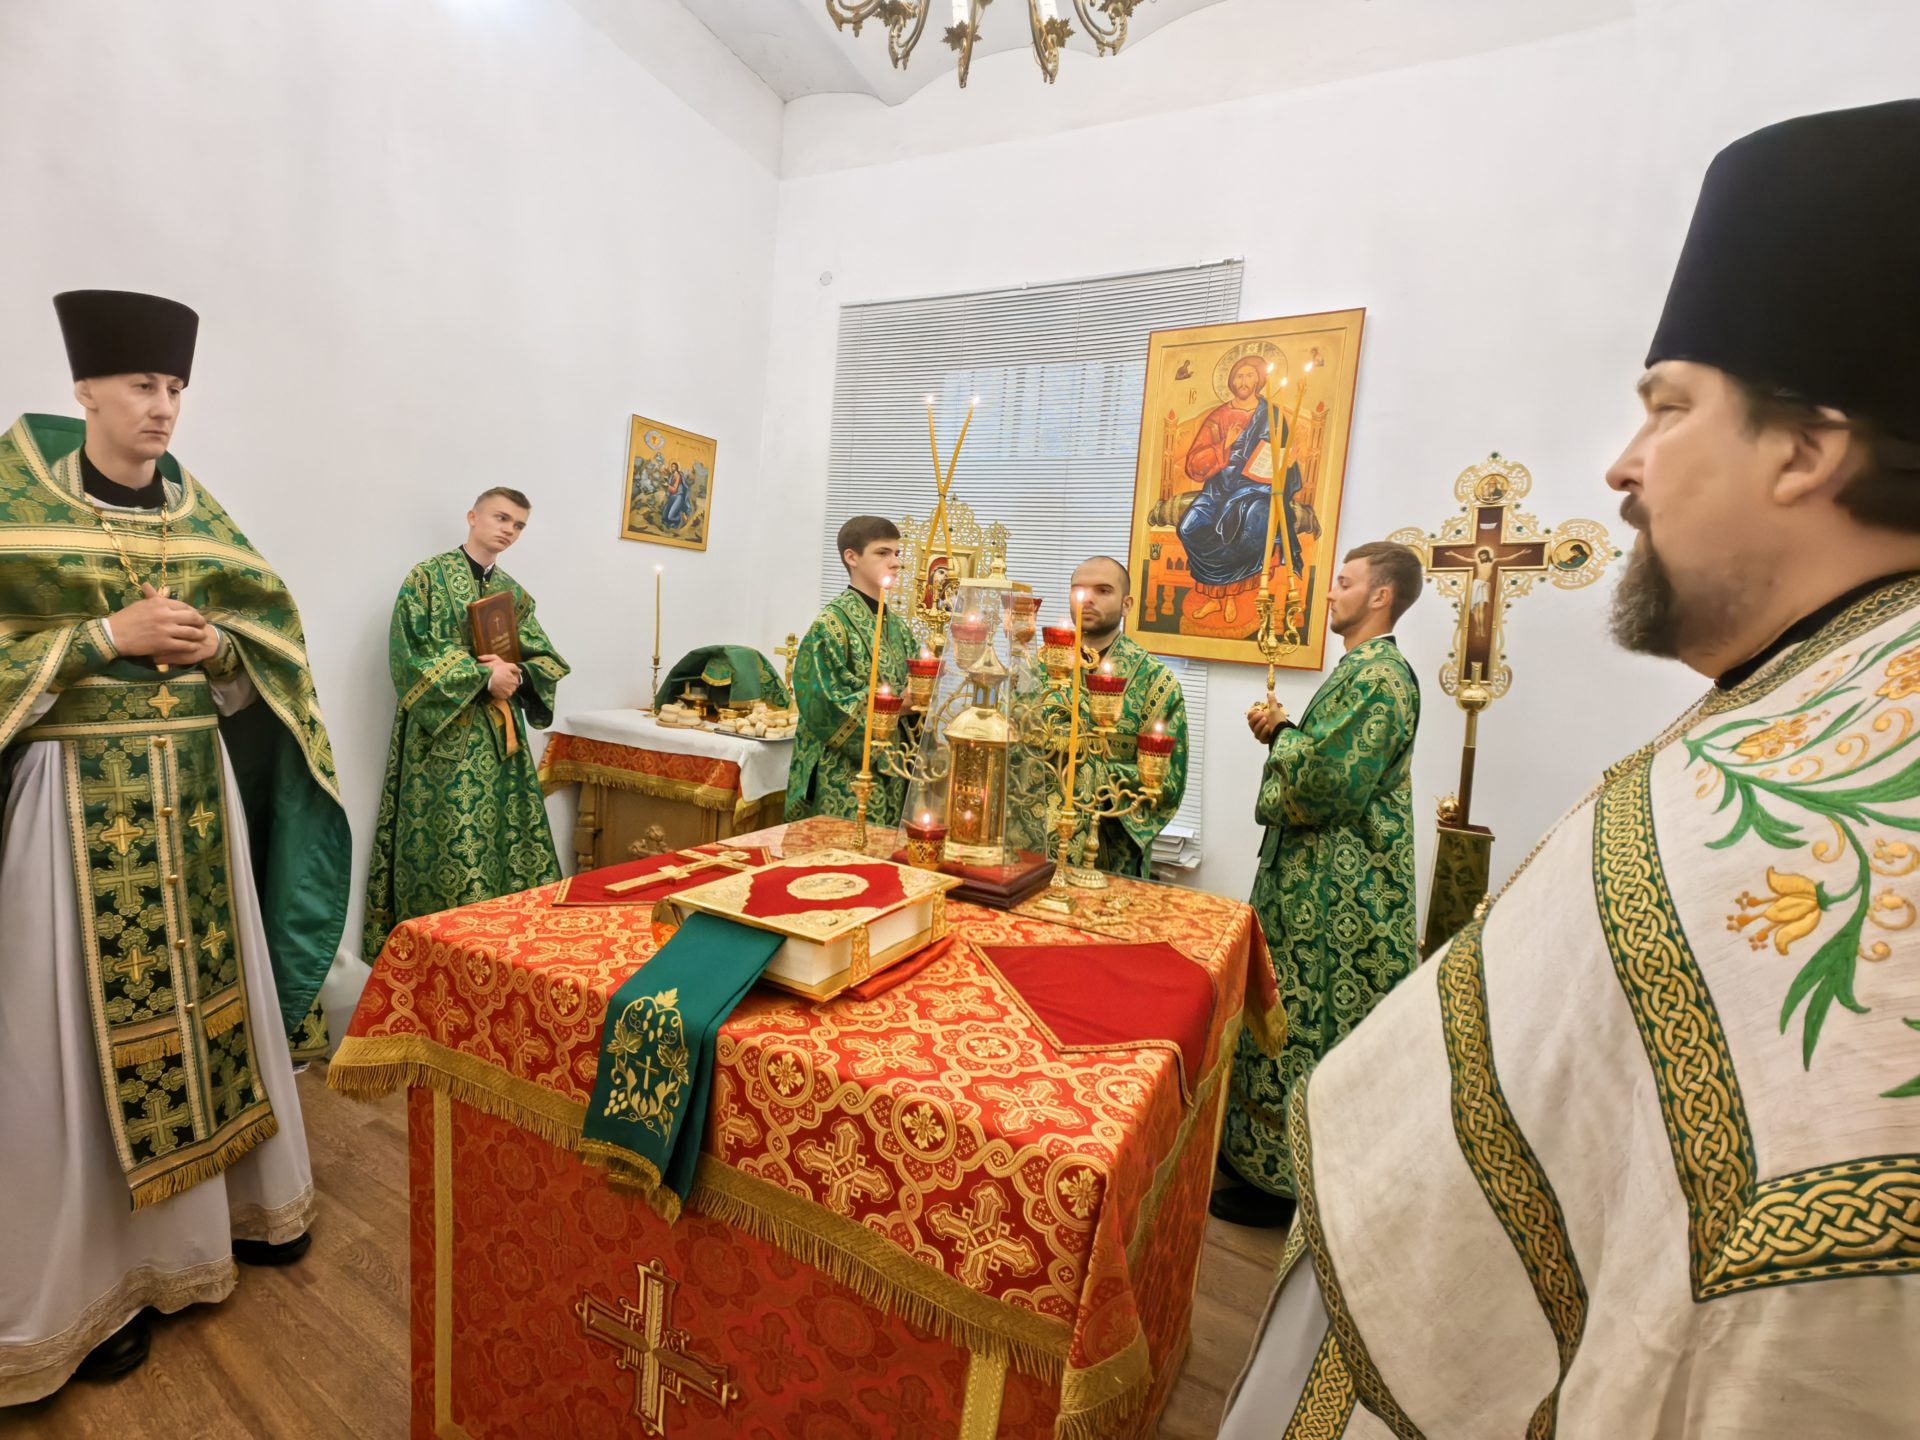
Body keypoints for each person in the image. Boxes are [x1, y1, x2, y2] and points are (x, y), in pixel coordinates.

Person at [1221, 101, 1920, 1438]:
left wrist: (1284, 754)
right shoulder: (1819, 689)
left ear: (1807, 450)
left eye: (1669, 408)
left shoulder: (1821, 787)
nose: (1624, 464)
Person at [0, 290, 351, 1401]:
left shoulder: (200, 515)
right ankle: (90, 1288)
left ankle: (232, 1218)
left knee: (213, 1011)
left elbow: (268, 644)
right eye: (142, 385)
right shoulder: (15, 501)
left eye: (175, 388)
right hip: (74, 806)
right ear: (85, 390)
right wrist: (101, 635)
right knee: (63, 1045)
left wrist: (221, 653)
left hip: (194, 803)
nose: (163, 406)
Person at [1213, 541, 1423, 1228]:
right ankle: (1257, 1156)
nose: (1331, 592)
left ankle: (1289, 1182)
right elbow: (1328, 758)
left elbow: (1332, 783)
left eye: (1345, 582)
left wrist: (1283, 732)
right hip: (1311, 882)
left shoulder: (1381, 677)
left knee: (1307, 1019)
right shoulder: (1362, 669)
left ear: (1381, 595)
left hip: (1340, 893)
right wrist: (1287, 735)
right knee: (1283, 1008)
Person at [361, 489, 569, 961]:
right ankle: (442, 953)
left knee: (506, 840)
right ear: (473, 516)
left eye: (518, 525)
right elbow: (409, 655)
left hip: (500, 743)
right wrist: (481, 676)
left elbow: (545, 659)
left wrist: (519, 674)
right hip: (442, 741)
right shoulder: (427, 578)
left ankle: (506, 951)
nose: (509, 530)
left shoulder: (513, 594)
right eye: (501, 518)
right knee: (452, 844)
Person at [1059, 555, 1189, 877]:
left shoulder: (1155, 681)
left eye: (1103, 590)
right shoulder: (1045, 668)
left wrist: (1091, 773)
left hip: (1108, 852)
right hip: (1038, 843)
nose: (1087, 599)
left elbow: (1167, 781)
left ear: (1126, 604)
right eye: (1079, 589)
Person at [786, 515, 916, 824]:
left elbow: (917, 686)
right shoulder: (830, 626)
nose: (895, 562)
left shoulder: (899, 629)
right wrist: (896, 706)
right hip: (842, 775)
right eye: (882, 553)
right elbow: (824, 703)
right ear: (852, 557)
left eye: (897, 553)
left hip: (894, 771)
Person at [1177, 352, 1308, 629]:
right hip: (1218, 488)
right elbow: (1194, 464)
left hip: (1255, 488)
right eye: (1239, 375)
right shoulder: (1219, 416)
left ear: (1259, 381)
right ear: (1231, 380)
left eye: (1249, 375)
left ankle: (1230, 598)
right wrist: (1224, 445)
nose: (1244, 381)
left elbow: (1281, 457)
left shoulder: (1271, 415)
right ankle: (1213, 597)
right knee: (1189, 527)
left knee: (1247, 522)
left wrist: (1286, 464)